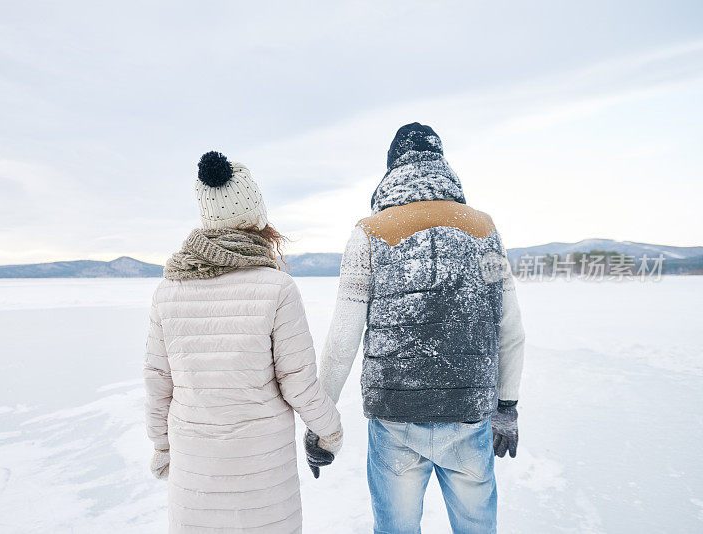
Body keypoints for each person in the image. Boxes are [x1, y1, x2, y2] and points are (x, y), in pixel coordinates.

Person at [306, 123, 526, 533]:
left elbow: (342, 341)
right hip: (468, 415)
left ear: (393, 169)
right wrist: (507, 407)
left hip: (396, 419)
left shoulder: (369, 233)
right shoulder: (484, 230)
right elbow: (510, 328)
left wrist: (322, 424)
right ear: (442, 165)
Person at [143, 151, 343, 533]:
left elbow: (157, 382)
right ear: (256, 214)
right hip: (262, 470)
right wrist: (329, 430)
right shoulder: (277, 287)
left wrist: (162, 446)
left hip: (195, 468)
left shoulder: (168, 291)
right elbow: (298, 380)